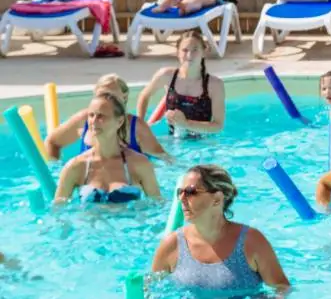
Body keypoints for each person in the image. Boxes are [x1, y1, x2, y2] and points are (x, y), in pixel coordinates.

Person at [151, 165, 289, 296]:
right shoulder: (171, 245)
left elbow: (282, 289)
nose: (182, 199)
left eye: (190, 192)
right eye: (179, 192)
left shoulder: (251, 242)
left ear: (217, 199)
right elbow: (151, 292)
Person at [53, 92, 161, 204]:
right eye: (91, 115)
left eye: (101, 116)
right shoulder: (76, 166)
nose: (93, 121)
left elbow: (158, 205)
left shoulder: (139, 163)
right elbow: (58, 213)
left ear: (119, 121)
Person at [43, 73, 172, 163]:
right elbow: (52, 142)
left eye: (111, 97)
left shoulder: (136, 128)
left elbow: (165, 160)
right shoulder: (84, 120)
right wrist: (55, 171)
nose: (105, 102)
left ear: (124, 98)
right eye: (101, 96)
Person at [136, 32, 226, 136]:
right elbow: (144, 95)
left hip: (202, 145)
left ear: (204, 52)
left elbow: (218, 126)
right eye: (185, 50)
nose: (189, 55)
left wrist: (186, 124)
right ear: (177, 53)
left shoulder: (214, 85)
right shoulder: (167, 76)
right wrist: (140, 124)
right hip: (172, 141)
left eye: (195, 50)